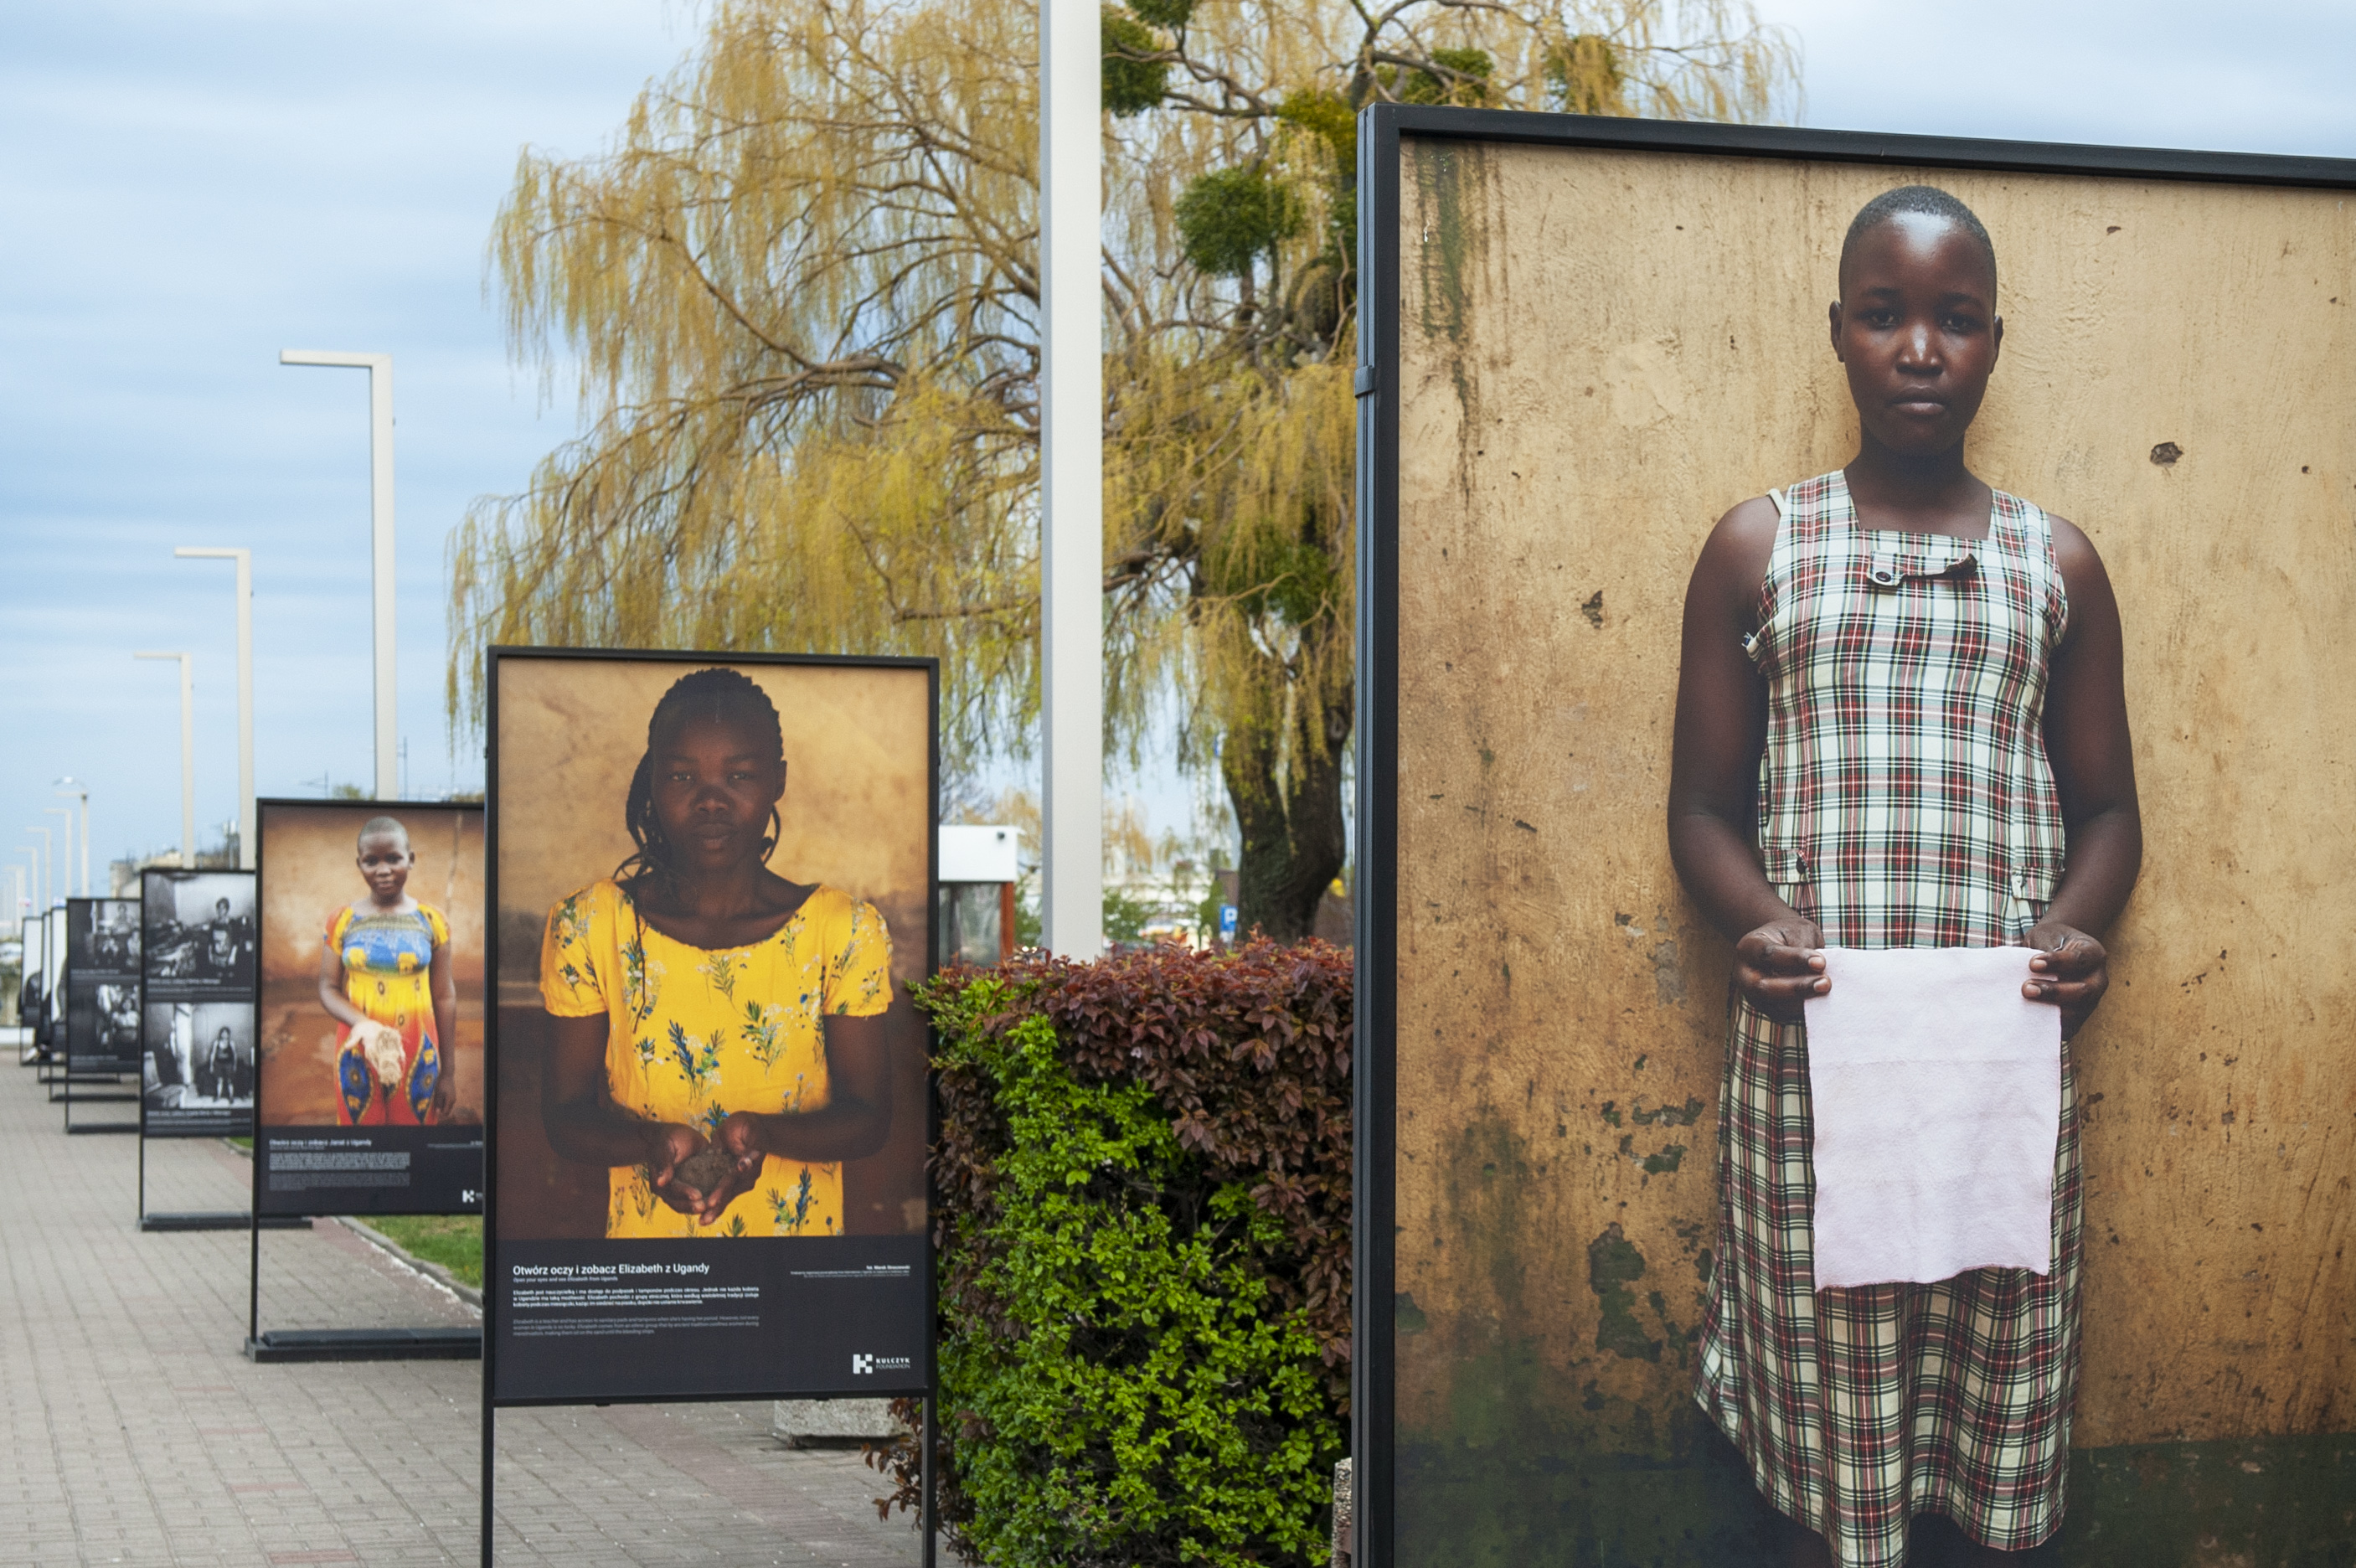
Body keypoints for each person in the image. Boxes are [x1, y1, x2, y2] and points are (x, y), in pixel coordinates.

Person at [1666, 187, 2142, 1567]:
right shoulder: (1757, 549)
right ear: (1838, 334)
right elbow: (1700, 806)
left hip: (1997, 1062)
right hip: (1811, 1060)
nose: (1918, 349)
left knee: (1991, 1339)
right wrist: (1752, 921)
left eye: (1952, 319)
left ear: (1995, 340)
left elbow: (2107, 809)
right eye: (1883, 317)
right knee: (1834, 1374)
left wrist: (2073, 932)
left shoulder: (2054, 565)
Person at [540, 666, 894, 1239]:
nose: (711, 801)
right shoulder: (590, 926)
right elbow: (565, 1115)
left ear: (777, 780)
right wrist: (649, 1143)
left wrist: (767, 1137)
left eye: (740, 775)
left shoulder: (841, 930)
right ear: (653, 782)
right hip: (652, 1266)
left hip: (797, 1270)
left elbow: (868, 1118)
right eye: (682, 776)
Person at [318, 817, 458, 1125]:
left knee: (415, 1146)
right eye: (371, 861)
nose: (383, 870)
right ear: (360, 864)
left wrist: (448, 1073)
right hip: (357, 1048)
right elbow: (327, 988)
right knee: (362, 1145)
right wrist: (364, 1025)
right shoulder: (342, 920)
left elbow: (445, 996)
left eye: (393, 859)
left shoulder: (432, 921)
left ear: (411, 859)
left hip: (417, 1049)